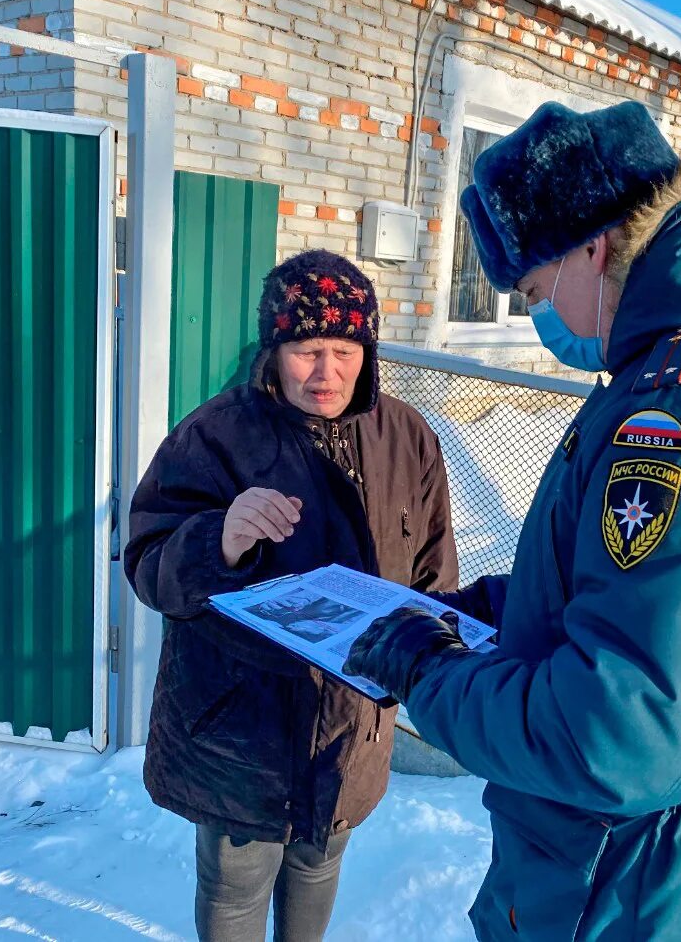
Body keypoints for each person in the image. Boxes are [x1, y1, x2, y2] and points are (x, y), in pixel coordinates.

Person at [345, 102, 681, 940]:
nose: (544, 320)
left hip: (645, 887)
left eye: (536, 291)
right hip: (666, 868)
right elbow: (629, 593)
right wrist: (494, 610)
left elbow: (618, 731)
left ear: (593, 247)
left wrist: (429, 676)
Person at [123, 250, 458, 942]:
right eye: (307, 349)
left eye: (344, 349)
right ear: (274, 349)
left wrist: (426, 665)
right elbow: (148, 562)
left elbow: (433, 574)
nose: (326, 370)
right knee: (236, 884)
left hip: (350, 732)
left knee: (317, 865)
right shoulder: (213, 435)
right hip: (238, 734)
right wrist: (218, 539)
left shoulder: (409, 438)